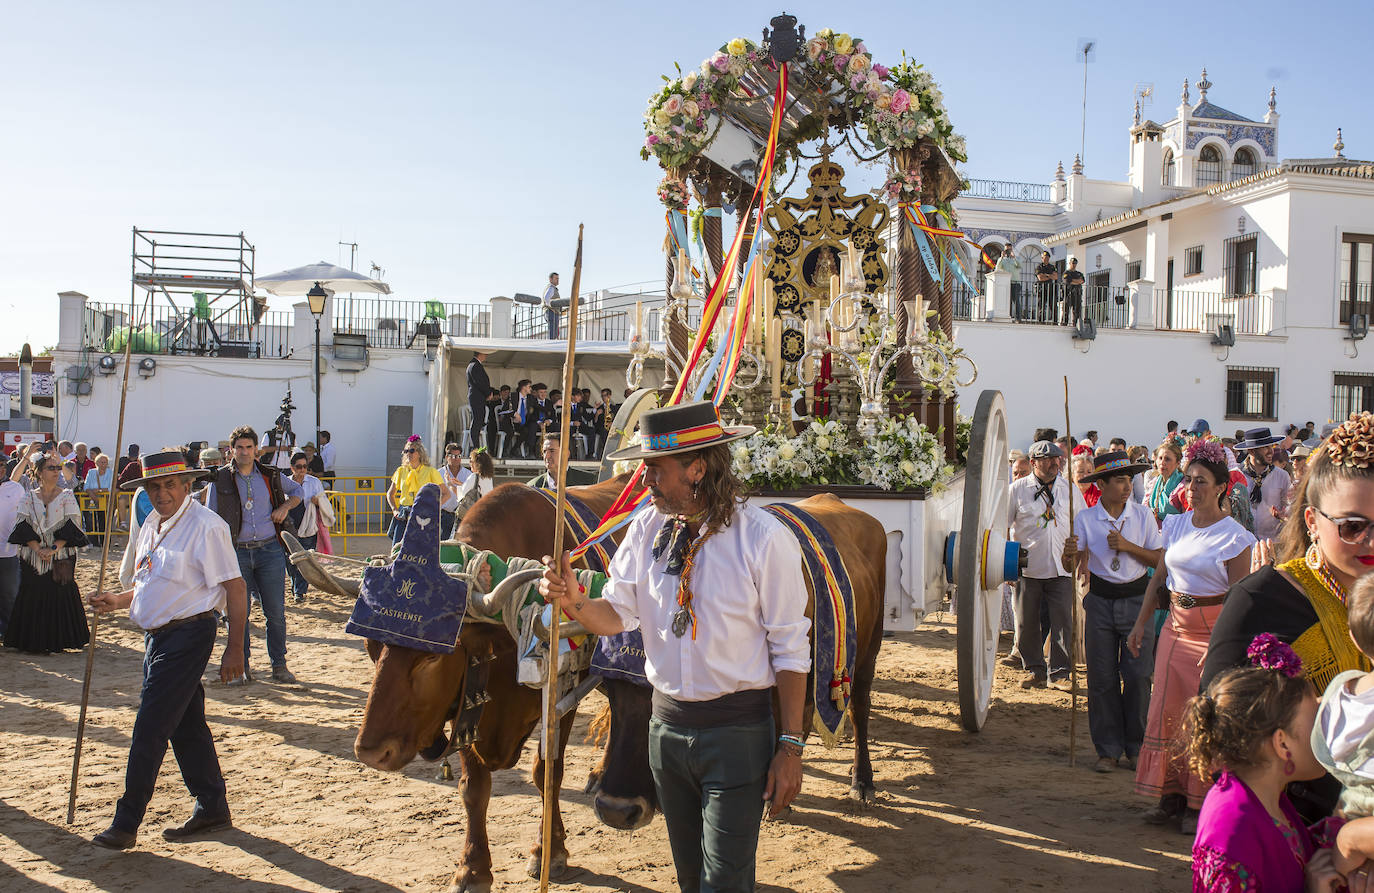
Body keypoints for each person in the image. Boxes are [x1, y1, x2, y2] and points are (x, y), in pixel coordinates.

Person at [539, 400, 808, 892]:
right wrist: (574, 601)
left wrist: (790, 745)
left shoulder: (765, 540)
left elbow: (791, 650)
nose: (645, 481)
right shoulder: (645, 530)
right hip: (664, 736)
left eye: (655, 470)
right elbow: (615, 614)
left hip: (738, 736)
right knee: (689, 880)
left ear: (697, 468)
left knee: (723, 882)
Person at [1200, 412, 1374, 824]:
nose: (1371, 540)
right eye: (1352, 526)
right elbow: (1218, 736)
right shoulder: (1260, 601)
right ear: (1312, 520)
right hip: (1297, 835)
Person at [87, 450, 248, 850]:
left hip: (191, 634)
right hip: (156, 637)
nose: (162, 493)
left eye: (169, 484)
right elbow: (151, 581)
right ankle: (212, 805)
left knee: (151, 724)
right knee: (185, 724)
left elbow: (235, 587)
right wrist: (119, 600)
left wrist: (236, 649)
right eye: (154, 486)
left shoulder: (207, 526)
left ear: (187, 484)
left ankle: (126, 822)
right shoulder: (150, 525)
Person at [1128, 439, 1256, 833]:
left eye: (1201, 481)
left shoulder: (1236, 537)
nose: (1193, 487)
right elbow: (1159, 579)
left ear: (1221, 487)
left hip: (1214, 632)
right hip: (1174, 627)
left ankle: (1198, 805)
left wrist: (1226, 645)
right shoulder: (1176, 523)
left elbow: (1240, 597)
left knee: (1205, 716)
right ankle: (1170, 798)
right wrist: (1141, 622)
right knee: (1167, 712)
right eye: (1189, 479)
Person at [1184, 635, 1343, 892]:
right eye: (1316, 723)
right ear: (1282, 744)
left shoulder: (1266, 798)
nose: (1326, 733)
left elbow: (1291, 853)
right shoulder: (1233, 834)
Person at [1062, 451, 1163, 773]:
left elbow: (1158, 560)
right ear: (1102, 484)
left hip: (1137, 601)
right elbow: (1071, 565)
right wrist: (1068, 555)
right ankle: (1107, 749)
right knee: (1101, 678)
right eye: (1119, 480)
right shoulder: (1086, 519)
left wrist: (1127, 546)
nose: (1126, 486)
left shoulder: (1143, 516)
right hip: (1101, 603)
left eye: (1129, 480)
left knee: (1137, 675)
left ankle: (1136, 746)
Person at [206, 425, 304, 685]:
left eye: (249, 447)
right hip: (235, 553)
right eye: (240, 447)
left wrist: (284, 507)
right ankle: (242, 668)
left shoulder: (270, 475)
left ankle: (279, 666)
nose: (245, 452)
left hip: (269, 550)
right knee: (239, 615)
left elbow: (298, 492)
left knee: (275, 612)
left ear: (256, 450)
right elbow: (210, 516)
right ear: (232, 450)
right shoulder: (220, 479)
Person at [1008, 440, 1088, 690]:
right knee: (1027, 621)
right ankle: (1035, 669)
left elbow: (1082, 524)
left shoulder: (1070, 490)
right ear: (1033, 462)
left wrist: (1082, 558)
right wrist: (1005, 564)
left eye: (1058, 458)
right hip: (1028, 566)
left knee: (1063, 620)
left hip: (1061, 566)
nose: (1055, 462)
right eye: (1048, 458)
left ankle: (1061, 672)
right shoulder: (1018, 489)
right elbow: (1002, 525)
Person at [4, 450, 89, 653]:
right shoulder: (28, 497)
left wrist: (51, 549)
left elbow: (72, 526)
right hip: (32, 556)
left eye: (58, 468)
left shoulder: (67, 496)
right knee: (33, 593)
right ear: (39, 472)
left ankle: (60, 640)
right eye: (51, 468)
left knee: (60, 591)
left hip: (60, 555)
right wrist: (37, 548)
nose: (56, 471)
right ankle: (33, 641)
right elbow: (22, 525)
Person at [283, 452, 331, 604]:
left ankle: (300, 591)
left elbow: (323, 500)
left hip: (309, 522)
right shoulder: (285, 483)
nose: (302, 469)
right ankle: (295, 584)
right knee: (290, 559)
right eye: (299, 466)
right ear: (292, 467)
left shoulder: (314, 482)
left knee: (305, 557)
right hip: (290, 522)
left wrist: (318, 502)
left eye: (305, 466)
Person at [384, 436, 449, 546]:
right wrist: (395, 510)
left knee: (421, 549)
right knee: (397, 548)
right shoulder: (400, 471)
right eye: (406, 451)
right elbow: (390, 494)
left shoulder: (430, 472)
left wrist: (433, 509)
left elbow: (446, 494)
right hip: (403, 513)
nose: (408, 454)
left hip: (422, 514)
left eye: (412, 451)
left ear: (419, 453)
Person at [1236, 426, 1292, 543]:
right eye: (1265, 447)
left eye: (1271, 446)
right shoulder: (1236, 476)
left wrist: (1284, 514)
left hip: (1273, 542)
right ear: (1251, 451)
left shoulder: (1282, 476)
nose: (1271, 451)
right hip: (1243, 543)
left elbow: (1289, 508)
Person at [0, 444, 32, 637]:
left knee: (10, 594)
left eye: (3, 464)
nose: (1, 468)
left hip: (8, 551)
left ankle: (10, 633)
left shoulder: (15, 488)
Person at [439, 442, 472, 540]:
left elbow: (470, 495)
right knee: (442, 545)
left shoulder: (468, 474)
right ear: (446, 456)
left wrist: (460, 484)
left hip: (461, 516)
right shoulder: (439, 473)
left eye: (458, 456)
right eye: (452, 456)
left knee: (459, 546)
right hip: (443, 515)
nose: (455, 458)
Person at [1146, 441, 1185, 524]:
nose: (1162, 463)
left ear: (1177, 463)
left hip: (1177, 531)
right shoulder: (1154, 482)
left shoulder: (1183, 485)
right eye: (1160, 458)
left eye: (1167, 459)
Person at [82, 452, 115, 545]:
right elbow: (86, 486)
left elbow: (110, 487)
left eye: (105, 462)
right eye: (101, 462)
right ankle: (94, 543)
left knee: (104, 521)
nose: (103, 464)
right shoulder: (91, 472)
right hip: (92, 500)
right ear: (96, 463)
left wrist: (99, 490)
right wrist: (92, 494)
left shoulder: (110, 472)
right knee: (92, 521)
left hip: (106, 500)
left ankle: (105, 543)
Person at [466, 351, 491, 454]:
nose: (486, 355)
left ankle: (475, 445)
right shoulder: (475, 365)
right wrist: (488, 393)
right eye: (484, 354)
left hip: (478, 396)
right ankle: (474, 446)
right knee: (476, 420)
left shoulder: (474, 365)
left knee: (478, 419)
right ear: (480, 354)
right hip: (477, 396)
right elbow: (480, 382)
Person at [1033, 250, 1058, 323]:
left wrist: (1046, 275)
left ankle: (1055, 321)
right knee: (1041, 306)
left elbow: (1055, 277)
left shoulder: (1052, 267)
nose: (1046, 259)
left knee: (1053, 306)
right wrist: (1050, 276)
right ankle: (1041, 321)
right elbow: (1040, 278)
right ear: (1042, 258)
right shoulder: (1039, 267)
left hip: (1050, 289)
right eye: (1044, 257)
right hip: (1042, 289)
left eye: (1047, 258)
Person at [1061, 256, 1085, 327]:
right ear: (1069, 263)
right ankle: (1064, 324)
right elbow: (1067, 281)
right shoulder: (1066, 273)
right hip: (1068, 294)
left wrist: (1073, 280)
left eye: (1075, 263)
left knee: (1077, 311)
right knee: (1066, 311)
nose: (1074, 264)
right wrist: (1077, 281)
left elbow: (1082, 281)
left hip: (1077, 294)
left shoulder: (1079, 273)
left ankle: (1075, 325)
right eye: (1072, 263)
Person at [543, 271, 561, 339]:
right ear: (550, 279)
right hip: (551, 312)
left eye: (558, 278)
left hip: (552, 312)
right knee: (552, 333)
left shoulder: (552, 288)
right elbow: (546, 298)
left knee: (554, 332)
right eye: (556, 278)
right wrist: (551, 308)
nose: (558, 280)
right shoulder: (551, 288)